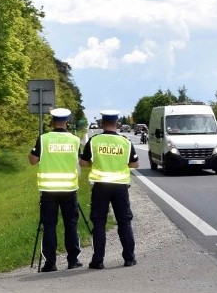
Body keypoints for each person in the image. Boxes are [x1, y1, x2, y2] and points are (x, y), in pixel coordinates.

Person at [79, 110, 140, 269]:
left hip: (101, 187)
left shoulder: (94, 141)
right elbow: (135, 164)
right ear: (117, 123)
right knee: (124, 222)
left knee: (99, 223)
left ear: (101, 124)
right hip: (120, 187)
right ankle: (129, 258)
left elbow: (83, 163)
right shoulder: (125, 142)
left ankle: (98, 260)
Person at [29, 108, 83, 272]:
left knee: (50, 226)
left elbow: (33, 160)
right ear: (67, 122)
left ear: (52, 122)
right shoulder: (75, 140)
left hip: (49, 190)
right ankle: (73, 260)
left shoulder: (44, 139)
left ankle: (50, 263)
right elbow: (79, 161)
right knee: (71, 225)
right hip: (69, 189)